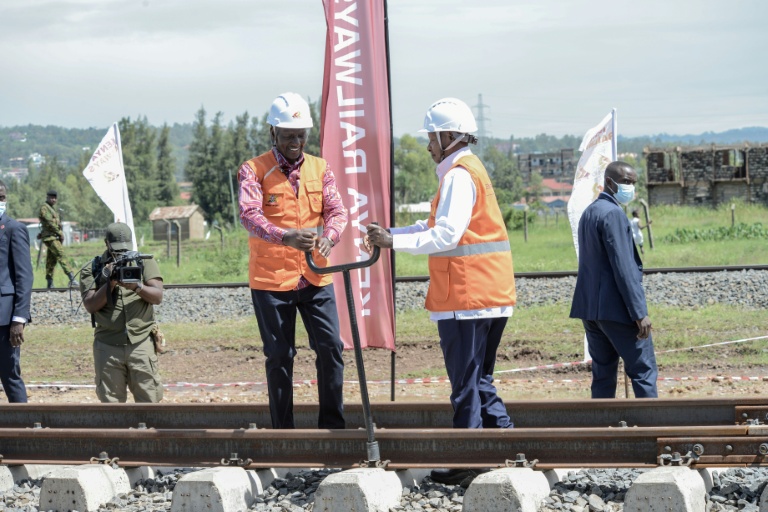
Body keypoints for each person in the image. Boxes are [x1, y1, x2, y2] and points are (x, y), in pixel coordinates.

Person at [365, 97, 516, 487]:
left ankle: (467, 457)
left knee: (466, 382)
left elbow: (446, 235)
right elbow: (436, 224)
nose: (428, 145)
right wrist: (391, 236)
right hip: (485, 294)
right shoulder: (468, 170)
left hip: (466, 297)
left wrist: (392, 243)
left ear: (448, 136)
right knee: (479, 378)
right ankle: (506, 443)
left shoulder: (458, 176)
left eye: (431, 137)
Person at [238, 92, 348, 430]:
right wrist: (284, 236)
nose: (295, 142)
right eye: (288, 136)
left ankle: (332, 426)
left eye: (301, 135)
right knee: (279, 358)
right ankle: (283, 432)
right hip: (271, 282)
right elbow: (249, 215)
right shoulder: (253, 170)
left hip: (315, 276)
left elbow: (337, 211)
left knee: (331, 348)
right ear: (273, 133)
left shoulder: (321, 168)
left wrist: (330, 236)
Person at [570, 161, 658, 399]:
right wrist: (639, 312)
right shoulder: (613, 214)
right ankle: (651, 428)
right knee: (643, 370)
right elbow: (624, 268)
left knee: (603, 373)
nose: (630, 187)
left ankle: (600, 430)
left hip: (591, 309)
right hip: (616, 310)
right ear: (609, 181)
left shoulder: (590, 212)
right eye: (626, 181)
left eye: (633, 183)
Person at [80, 222, 164, 403]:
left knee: (149, 401)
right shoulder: (93, 268)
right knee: (111, 406)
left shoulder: (144, 261)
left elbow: (157, 297)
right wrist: (109, 283)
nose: (120, 254)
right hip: (107, 345)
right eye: (116, 250)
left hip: (141, 343)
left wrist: (137, 286)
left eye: (124, 249)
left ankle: (147, 432)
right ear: (106, 244)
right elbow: (90, 305)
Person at [0, 180, 32, 403]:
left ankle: (23, 428)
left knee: (10, 376)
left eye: (1, 197)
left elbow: (24, 277)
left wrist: (18, 319)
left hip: (4, 320)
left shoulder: (13, 229)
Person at [38, 190, 77, 289]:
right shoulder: (45, 208)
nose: (53, 199)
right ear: (47, 197)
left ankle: (49, 283)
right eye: (51, 197)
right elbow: (49, 222)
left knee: (51, 260)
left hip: (53, 236)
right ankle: (72, 279)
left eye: (55, 198)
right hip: (50, 237)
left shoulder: (52, 209)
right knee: (61, 254)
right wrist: (60, 233)